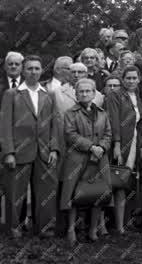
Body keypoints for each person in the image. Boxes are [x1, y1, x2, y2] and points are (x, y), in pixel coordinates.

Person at [0, 55, 59, 238]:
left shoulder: (48, 95)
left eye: (37, 68)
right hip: (19, 151)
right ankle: (13, 230)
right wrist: (9, 152)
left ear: (42, 71)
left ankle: (45, 229)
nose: (33, 72)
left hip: (44, 151)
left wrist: (55, 148)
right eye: (29, 68)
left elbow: (54, 124)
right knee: (15, 193)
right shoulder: (12, 94)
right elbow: (5, 125)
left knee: (46, 193)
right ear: (23, 71)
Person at [60, 78, 112, 245]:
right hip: (78, 159)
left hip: (99, 158)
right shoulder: (70, 113)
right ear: (76, 94)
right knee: (74, 194)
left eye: (88, 91)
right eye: (81, 91)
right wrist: (91, 147)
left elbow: (108, 134)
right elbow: (70, 135)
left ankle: (93, 230)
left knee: (97, 192)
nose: (84, 94)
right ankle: (71, 230)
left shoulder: (102, 112)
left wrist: (102, 147)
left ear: (94, 93)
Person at [105, 65, 142, 234]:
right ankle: (105, 225)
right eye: (128, 78)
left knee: (125, 181)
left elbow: (141, 123)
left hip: (134, 142)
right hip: (121, 143)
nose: (131, 81)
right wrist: (116, 144)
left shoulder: (137, 95)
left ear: (139, 80)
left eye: (134, 78)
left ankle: (122, 224)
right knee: (113, 182)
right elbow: (113, 121)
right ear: (123, 79)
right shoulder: (115, 95)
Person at [0, 52, 24, 125]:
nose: (13, 66)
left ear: (22, 67)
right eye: (10, 64)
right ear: (5, 67)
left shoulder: (29, 86)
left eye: (17, 64)